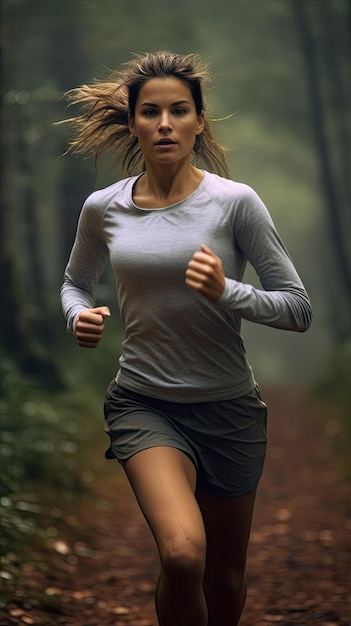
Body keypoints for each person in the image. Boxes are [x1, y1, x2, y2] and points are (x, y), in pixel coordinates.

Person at [60, 50, 312, 626]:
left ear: (200, 120)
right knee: (181, 555)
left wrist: (229, 293)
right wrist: (78, 316)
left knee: (224, 578)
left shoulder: (235, 203)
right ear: (132, 123)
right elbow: (76, 282)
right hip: (145, 403)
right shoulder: (104, 208)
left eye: (179, 110)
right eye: (151, 112)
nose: (165, 123)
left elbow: (298, 308)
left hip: (229, 409)